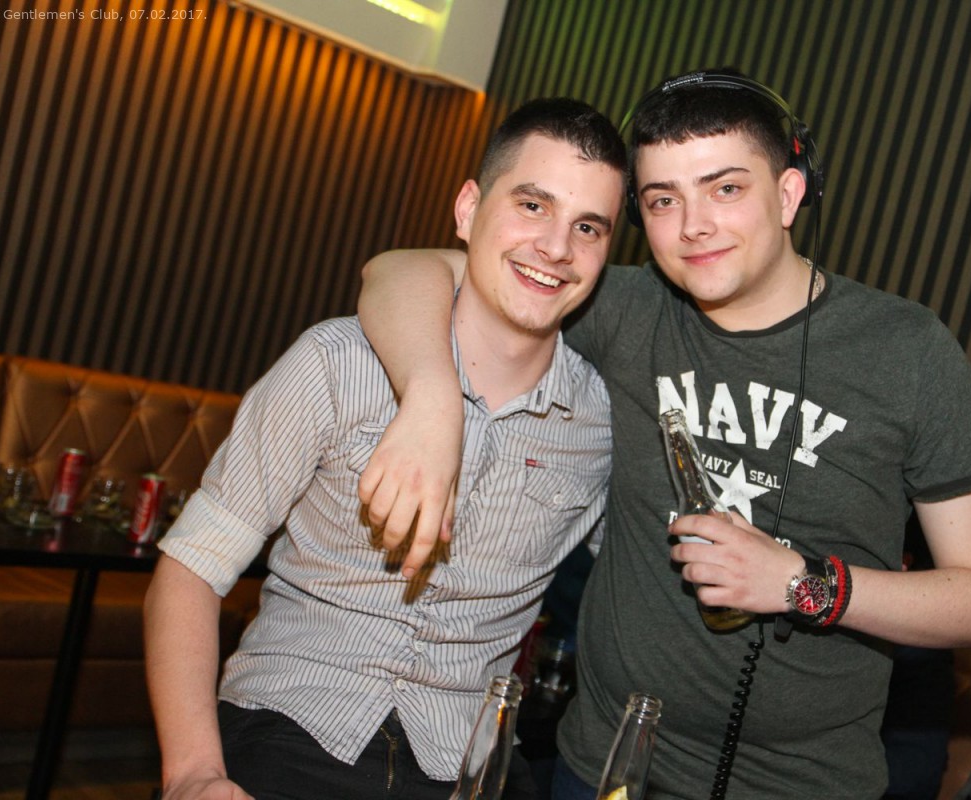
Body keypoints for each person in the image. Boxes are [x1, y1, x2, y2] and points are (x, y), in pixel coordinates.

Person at [355, 69, 971, 799]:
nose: (693, 225)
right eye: (662, 200)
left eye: (724, 188)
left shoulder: (908, 349)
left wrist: (799, 584)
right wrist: (431, 403)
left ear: (790, 194)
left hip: (805, 786)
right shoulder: (624, 308)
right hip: (600, 767)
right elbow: (401, 270)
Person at [142, 97, 627, 800]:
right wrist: (193, 774)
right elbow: (190, 568)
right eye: (532, 205)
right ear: (468, 209)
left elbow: (651, 583)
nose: (556, 247)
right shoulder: (336, 363)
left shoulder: (600, 425)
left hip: (471, 761)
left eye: (587, 227)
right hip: (292, 725)